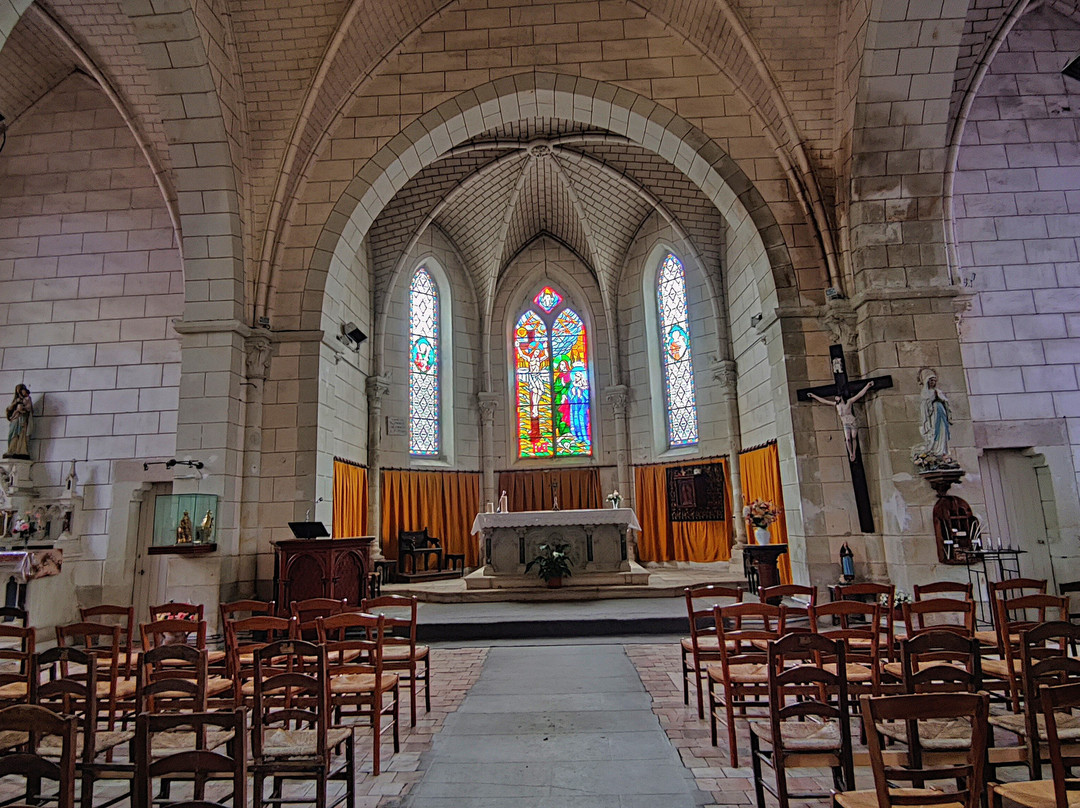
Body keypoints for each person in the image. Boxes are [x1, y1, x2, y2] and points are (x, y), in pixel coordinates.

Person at [807, 380, 874, 462]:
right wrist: (813, 396)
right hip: (845, 423)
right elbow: (824, 401)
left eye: (837, 397)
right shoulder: (837, 405)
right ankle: (851, 453)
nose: (836, 399)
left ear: (841, 397)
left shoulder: (849, 402)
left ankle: (854, 452)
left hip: (852, 421)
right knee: (848, 439)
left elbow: (859, 395)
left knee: (853, 437)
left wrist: (867, 386)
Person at [919, 369, 952, 457]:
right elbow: (925, 405)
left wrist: (940, 398)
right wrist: (931, 401)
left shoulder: (938, 391)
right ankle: (935, 449)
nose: (933, 382)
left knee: (942, 430)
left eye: (934, 381)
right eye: (931, 381)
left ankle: (942, 450)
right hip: (932, 414)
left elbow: (945, 401)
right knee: (934, 430)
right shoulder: (925, 393)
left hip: (940, 411)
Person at [4, 385, 32, 459]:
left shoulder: (27, 399)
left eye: (22, 390)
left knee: (21, 434)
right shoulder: (16, 400)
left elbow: (28, 408)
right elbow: (9, 409)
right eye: (19, 391)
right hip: (15, 419)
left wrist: (22, 408)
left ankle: (20, 451)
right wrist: (15, 404)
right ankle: (11, 449)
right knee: (12, 434)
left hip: (22, 419)